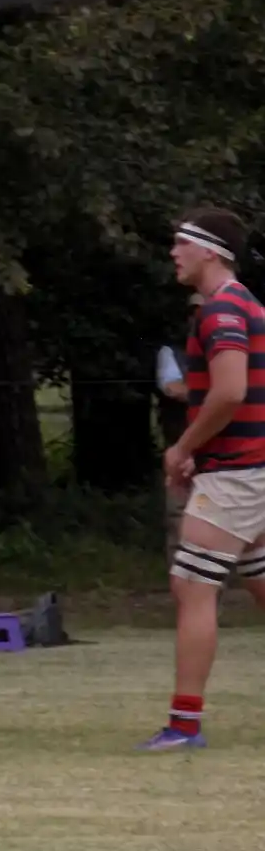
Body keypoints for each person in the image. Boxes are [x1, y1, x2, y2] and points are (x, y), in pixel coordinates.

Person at [142, 208, 265, 750]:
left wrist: (184, 447)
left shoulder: (222, 311)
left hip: (239, 473)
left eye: (179, 245)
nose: (172, 254)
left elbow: (231, 390)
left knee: (192, 586)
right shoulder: (245, 305)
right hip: (248, 465)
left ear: (209, 251)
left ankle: (183, 723)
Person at [157, 295, 204, 559]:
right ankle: (181, 573)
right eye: (195, 312)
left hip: (224, 453)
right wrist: (219, 394)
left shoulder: (233, 351)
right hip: (182, 448)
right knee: (179, 515)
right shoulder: (172, 353)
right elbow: (172, 388)